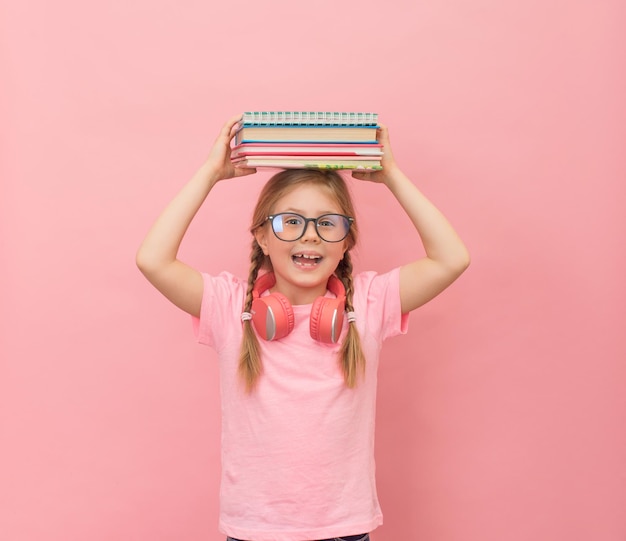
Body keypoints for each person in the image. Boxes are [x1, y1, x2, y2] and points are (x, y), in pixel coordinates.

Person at [136, 114, 470, 541]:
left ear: (347, 241)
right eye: (290, 221)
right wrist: (209, 174)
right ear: (262, 237)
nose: (309, 236)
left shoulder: (365, 306)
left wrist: (393, 177)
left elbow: (451, 258)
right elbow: (153, 259)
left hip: (344, 530)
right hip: (254, 531)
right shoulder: (229, 307)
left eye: (328, 223)